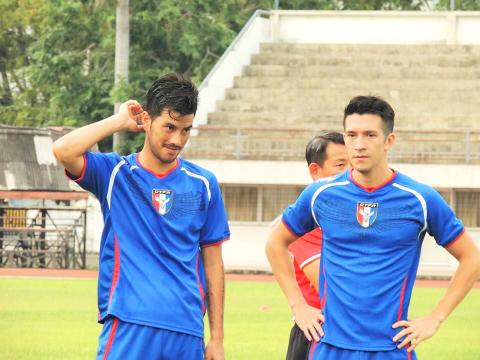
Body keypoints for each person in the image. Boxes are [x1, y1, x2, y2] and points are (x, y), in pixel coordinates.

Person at [266, 96, 480, 360]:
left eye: (370, 135)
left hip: (390, 349)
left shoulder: (419, 199)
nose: (359, 145)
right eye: (351, 135)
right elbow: (275, 243)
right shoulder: (321, 194)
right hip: (329, 347)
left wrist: (435, 319)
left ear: (389, 141)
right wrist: (298, 305)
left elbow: (471, 257)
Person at [52, 72, 230, 360]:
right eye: (169, 127)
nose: (177, 139)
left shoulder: (203, 184)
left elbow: (213, 263)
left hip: (186, 329)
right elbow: (63, 150)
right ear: (146, 120)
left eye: (185, 130)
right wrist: (119, 121)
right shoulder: (114, 174)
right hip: (128, 323)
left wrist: (217, 338)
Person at [286, 132, 348, 360]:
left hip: (355, 332)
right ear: (315, 171)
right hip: (318, 332)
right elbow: (332, 287)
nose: (350, 174)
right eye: (341, 165)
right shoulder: (306, 223)